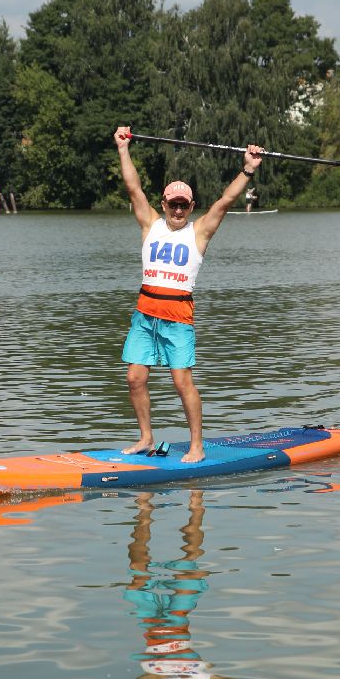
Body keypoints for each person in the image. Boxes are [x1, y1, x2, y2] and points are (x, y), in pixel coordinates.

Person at [114, 125, 263, 463]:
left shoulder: (199, 232)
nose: (178, 211)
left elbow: (225, 202)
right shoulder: (150, 224)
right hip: (144, 317)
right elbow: (133, 187)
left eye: (183, 205)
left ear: (192, 205)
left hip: (177, 318)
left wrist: (247, 169)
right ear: (163, 203)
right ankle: (145, 438)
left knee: (182, 383)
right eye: (173, 204)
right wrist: (123, 149)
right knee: (134, 378)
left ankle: (197, 445)